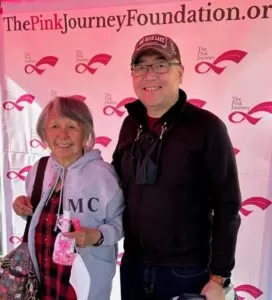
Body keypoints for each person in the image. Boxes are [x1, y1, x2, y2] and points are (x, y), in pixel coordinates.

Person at [112, 33, 241, 300]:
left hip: (186, 272)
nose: (150, 75)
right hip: (133, 266)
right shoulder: (130, 125)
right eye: (141, 67)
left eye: (161, 65)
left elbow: (227, 205)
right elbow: (111, 185)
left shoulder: (208, 128)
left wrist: (219, 277)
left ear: (180, 72)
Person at [13, 96, 124, 300]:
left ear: (86, 134)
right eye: (55, 125)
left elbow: (122, 222)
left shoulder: (102, 174)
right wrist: (22, 206)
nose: (63, 134)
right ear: (44, 133)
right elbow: (40, 216)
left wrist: (97, 236)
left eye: (72, 126)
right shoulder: (40, 168)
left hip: (84, 282)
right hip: (42, 280)